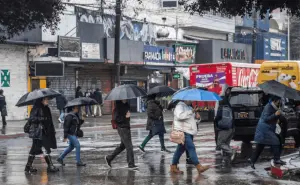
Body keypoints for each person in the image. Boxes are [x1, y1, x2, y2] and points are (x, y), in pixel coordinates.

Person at [170, 100, 210, 174]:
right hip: (183, 131)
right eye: (190, 99)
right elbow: (180, 116)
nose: (192, 101)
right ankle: (198, 166)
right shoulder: (179, 106)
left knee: (179, 150)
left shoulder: (188, 107)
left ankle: (173, 167)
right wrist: (192, 111)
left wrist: (197, 118)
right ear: (185, 99)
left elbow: (191, 120)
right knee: (191, 147)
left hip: (189, 131)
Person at [249, 96, 287, 169]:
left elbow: (274, 117)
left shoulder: (274, 106)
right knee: (276, 141)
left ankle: (252, 160)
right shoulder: (268, 107)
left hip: (267, 129)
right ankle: (276, 159)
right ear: (275, 101)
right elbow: (266, 119)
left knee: (260, 146)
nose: (280, 102)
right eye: (279, 101)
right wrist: (275, 114)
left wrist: (277, 117)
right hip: (264, 129)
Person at [25, 97, 59, 173]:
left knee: (34, 150)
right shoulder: (36, 108)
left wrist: (52, 130)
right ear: (41, 100)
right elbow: (32, 119)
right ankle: (50, 166)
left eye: (47, 99)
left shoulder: (46, 108)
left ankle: (28, 167)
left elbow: (49, 121)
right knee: (45, 148)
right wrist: (42, 118)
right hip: (38, 132)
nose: (47, 100)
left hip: (45, 131)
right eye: (45, 99)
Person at [105, 100, 138, 170]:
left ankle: (109, 158)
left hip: (126, 127)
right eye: (124, 98)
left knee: (123, 146)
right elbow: (117, 119)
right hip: (122, 128)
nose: (126, 98)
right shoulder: (118, 106)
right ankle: (131, 164)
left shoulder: (126, 105)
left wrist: (128, 117)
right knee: (129, 146)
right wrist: (125, 117)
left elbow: (127, 117)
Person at [214, 89, 235, 169]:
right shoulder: (229, 107)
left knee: (220, 143)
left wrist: (217, 124)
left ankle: (231, 152)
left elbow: (217, 118)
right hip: (231, 128)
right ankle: (228, 162)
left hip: (224, 129)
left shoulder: (221, 108)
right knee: (226, 143)